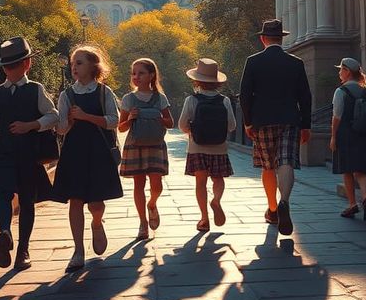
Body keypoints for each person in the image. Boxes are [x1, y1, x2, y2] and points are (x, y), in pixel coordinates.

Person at [0, 36, 57, 272]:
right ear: (2, 68)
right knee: (4, 195)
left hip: (28, 154)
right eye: (6, 66)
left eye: (13, 65)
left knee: (25, 200)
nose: (9, 70)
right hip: (4, 153)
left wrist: (31, 125)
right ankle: (6, 234)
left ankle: (21, 246)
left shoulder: (36, 90)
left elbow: (53, 116)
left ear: (26, 65)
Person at [48, 42, 123, 273]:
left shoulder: (104, 92)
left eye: (79, 63)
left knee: (96, 203)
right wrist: (68, 121)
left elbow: (114, 121)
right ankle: (78, 251)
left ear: (93, 66)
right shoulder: (67, 94)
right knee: (75, 201)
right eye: (73, 63)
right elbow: (61, 129)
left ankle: (97, 223)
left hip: (98, 151)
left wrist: (86, 116)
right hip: (74, 152)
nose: (74, 67)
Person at [238, 17, 312, 237]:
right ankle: (285, 202)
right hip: (290, 119)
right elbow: (305, 97)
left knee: (268, 166)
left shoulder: (253, 62)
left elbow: (244, 95)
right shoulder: (296, 63)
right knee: (286, 161)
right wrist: (306, 125)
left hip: (262, 120)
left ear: (263, 39)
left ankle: (272, 209)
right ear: (281, 39)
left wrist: (248, 121)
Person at [177, 57, 238, 233]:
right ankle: (216, 200)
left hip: (197, 147)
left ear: (197, 80)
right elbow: (232, 125)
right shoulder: (224, 100)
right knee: (218, 178)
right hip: (219, 148)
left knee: (200, 183)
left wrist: (192, 131)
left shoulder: (192, 100)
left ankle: (204, 219)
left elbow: (182, 124)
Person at [117, 55, 173, 240]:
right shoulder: (128, 99)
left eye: (141, 73)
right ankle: (142, 223)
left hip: (156, 145)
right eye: (134, 73)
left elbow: (170, 123)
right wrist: (130, 118)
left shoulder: (160, 98)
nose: (136, 77)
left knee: (156, 186)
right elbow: (121, 127)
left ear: (151, 75)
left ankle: (152, 204)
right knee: (138, 184)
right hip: (135, 145)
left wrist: (159, 118)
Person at [331, 57, 366, 220]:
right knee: (361, 170)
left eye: (341, 70)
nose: (339, 73)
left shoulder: (341, 91)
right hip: (363, 134)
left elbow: (337, 116)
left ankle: (352, 204)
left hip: (346, 133)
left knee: (347, 169)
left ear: (347, 72)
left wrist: (333, 137)